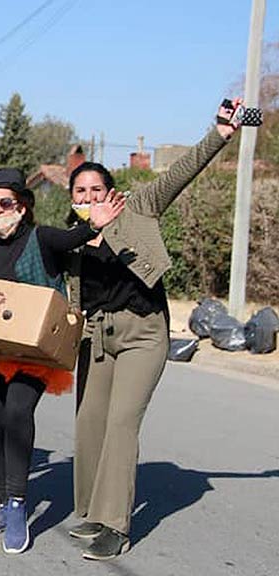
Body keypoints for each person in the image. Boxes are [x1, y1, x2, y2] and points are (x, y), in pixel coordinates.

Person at [67, 100, 242, 560]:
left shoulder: (139, 208)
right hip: (96, 336)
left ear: (111, 191)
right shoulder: (70, 236)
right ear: (72, 197)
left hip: (143, 332)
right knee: (89, 422)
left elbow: (180, 173)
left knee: (123, 422)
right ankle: (88, 509)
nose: (89, 197)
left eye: (97, 189)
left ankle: (115, 525)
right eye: (80, 190)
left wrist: (220, 133)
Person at [0, 167, 124, 554]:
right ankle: (3, 503)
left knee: (17, 414)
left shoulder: (43, 238)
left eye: (6, 202)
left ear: (23, 205)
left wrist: (93, 223)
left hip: (32, 354)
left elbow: (73, 238)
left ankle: (17, 505)